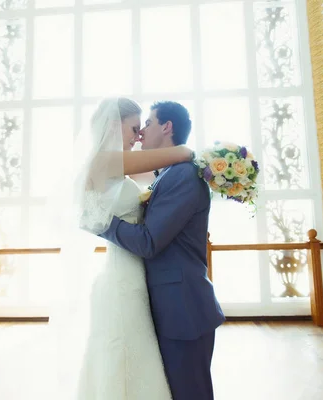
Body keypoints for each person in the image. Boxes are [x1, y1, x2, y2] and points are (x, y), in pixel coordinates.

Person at [52, 97, 196, 399]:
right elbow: (182, 153)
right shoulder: (105, 160)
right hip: (122, 277)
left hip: (131, 271)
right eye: (134, 127)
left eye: (142, 127)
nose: (139, 135)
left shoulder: (116, 165)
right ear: (115, 125)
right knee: (125, 352)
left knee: (132, 355)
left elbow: (159, 181)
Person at [99, 101, 225, 400]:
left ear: (167, 127)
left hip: (182, 307)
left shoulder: (182, 175)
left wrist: (102, 222)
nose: (141, 133)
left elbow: (149, 242)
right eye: (137, 127)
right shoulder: (167, 175)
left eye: (148, 124)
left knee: (190, 392)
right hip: (167, 303)